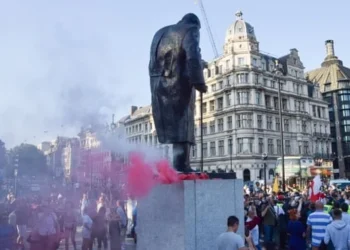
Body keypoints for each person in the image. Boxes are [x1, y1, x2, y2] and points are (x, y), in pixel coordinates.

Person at [149, 13, 207, 172]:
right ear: (196, 24)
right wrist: (199, 82)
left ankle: (177, 165)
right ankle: (182, 165)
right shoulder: (190, 30)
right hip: (179, 84)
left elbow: (163, 59)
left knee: (174, 128)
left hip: (159, 86)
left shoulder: (160, 32)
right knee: (184, 125)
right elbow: (192, 57)